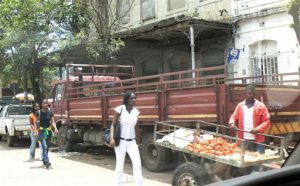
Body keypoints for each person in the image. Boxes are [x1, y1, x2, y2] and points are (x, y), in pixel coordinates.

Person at [109, 91, 143, 186]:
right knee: (120, 165)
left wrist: (139, 142)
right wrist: (112, 138)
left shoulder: (136, 112)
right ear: (127, 99)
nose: (134, 100)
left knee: (137, 165)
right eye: (132, 98)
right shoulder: (119, 109)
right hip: (121, 142)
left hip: (132, 142)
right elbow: (113, 125)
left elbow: (136, 128)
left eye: (135, 98)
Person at [229, 84, 270, 154]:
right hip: (243, 140)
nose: (251, 95)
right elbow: (233, 116)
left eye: (253, 93)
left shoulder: (261, 106)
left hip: (258, 140)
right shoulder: (240, 106)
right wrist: (232, 123)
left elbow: (266, 121)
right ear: (245, 94)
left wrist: (258, 129)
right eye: (249, 93)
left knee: (258, 162)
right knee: (244, 161)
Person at [37, 99, 58, 168]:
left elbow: (53, 122)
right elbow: (36, 122)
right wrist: (35, 131)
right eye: (44, 103)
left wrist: (55, 128)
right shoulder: (39, 112)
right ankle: (47, 161)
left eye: (46, 103)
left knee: (47, 147)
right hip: (41, 131)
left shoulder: (50, 112)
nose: (45, 104)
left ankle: (44, 159)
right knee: (44, 146)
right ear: (42, 104)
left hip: (48, 131)